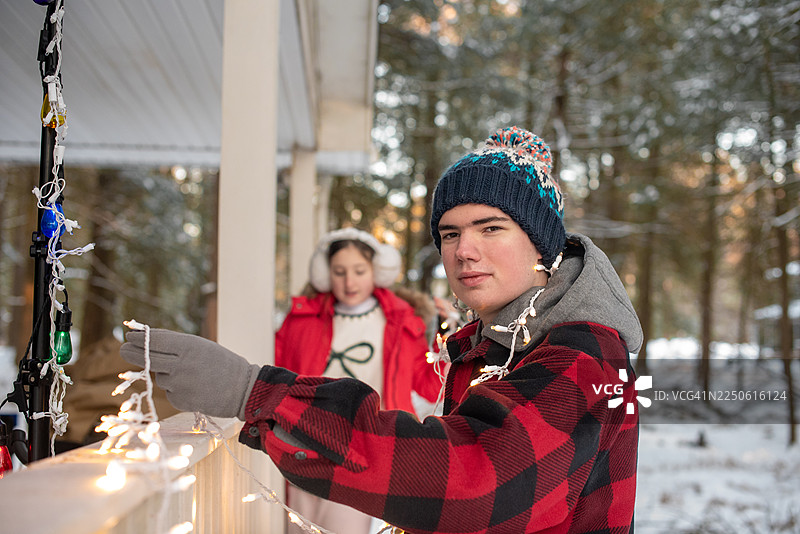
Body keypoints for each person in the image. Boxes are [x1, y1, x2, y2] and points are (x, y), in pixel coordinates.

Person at [121, 126, 643, 534]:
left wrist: (257, 392)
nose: (464, 250)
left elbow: (476, 479)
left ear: (542, 246)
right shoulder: (495, 344)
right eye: (450, 233)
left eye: (491, 228)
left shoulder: (584, 351)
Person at [274, 228, 443, 533]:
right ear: (326, 274)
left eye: (358, 271)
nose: (349, 282)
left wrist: (444, 343)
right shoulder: (301, 320)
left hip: (363, 448)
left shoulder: (402, 321)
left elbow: (430, 384)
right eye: (339, 272)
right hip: (305, 442)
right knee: (298, 529)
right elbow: (278, 373)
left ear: (376, 271)